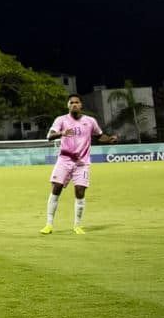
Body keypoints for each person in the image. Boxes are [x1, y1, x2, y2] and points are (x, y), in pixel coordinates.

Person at [44, 94, 118, 235]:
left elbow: (99, 135)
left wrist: (109, 140)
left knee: (80, 191)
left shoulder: (90, 121)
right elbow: (49, 136)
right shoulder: (61, 120)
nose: (74, 105)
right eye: (71, 103)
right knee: (56, 188)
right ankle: (49, 224)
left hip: (82, 163)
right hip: (64, 160)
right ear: (68, 106)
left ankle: (77, 225)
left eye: (76, 102)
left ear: (81, 105)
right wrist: (62, 133)